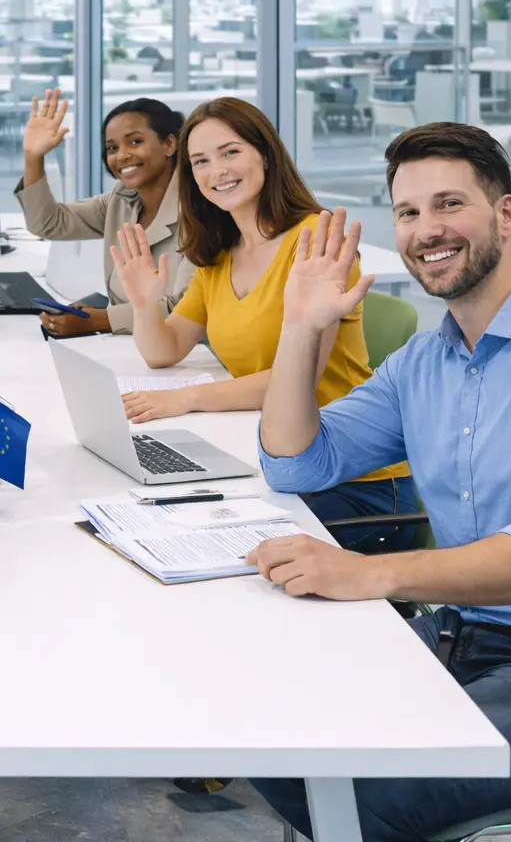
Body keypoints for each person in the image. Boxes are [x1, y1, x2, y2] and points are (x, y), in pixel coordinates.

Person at [247, 123, 511, 842]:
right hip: (470, 639)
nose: (428, 231)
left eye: (450, 205)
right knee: (259, 726)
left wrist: (371, 573)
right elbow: (297, 463)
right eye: (410, 213)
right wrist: (301, 327)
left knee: (364, 795)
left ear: (506, 216)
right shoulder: (424, 362)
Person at [112, 96, 415, 546]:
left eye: (230, 152)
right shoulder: (221, 251)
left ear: (266, 155)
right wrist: (143, 302)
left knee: (205, 544)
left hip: (355, 484)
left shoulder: (316, 243)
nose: (217, 171)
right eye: (200, 161)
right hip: (277, 459)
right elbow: (165, 349)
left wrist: (188, 399)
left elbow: (299, 379)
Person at [14, 89, 193, 336]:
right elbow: (48, 223)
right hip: (125, 348)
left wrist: (96, 320)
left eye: (135, 142)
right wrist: (33, 157)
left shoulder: (199, 212)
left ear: (169, 144)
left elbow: (185, 308)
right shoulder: (121, 199)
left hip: (187, 354)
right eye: (112, 148)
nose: (122, 155)